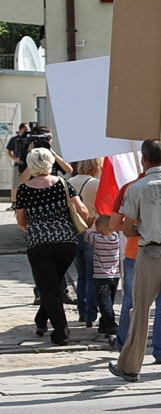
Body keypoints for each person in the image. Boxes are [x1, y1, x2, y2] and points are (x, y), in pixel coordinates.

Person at [108, 139, 161, 393]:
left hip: (149, 252)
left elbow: (126, 227)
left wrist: (145, 227)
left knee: (140, 310)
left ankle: (131, 366)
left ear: (144, 160)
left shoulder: (137, 187)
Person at [14, 148, 88, 345]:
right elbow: (81, 209)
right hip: (66, 241)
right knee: (52, 284)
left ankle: (61, 332)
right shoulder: (64, 184)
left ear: (31, 165)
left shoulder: (24, 189)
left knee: (48, 287)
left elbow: (21, 220)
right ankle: (40, 321)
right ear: (50, 163)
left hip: (39, 243)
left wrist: (30, 227)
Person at [111, 172, 161, 364]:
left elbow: (114, 224)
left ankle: (124, 344)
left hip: (135, 252)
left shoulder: (130, 187)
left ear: (144, 160)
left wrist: (139, 228)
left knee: (131, 301)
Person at [68, 158, 103, 328]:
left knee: (81, 276)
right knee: (92, 276)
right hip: (93, 232)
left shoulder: (68, 182)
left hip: (74, 233)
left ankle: (82, 312)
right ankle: (91, 315)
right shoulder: (96, 184)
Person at [85, 214, 120, 347]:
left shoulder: (97, 239)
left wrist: (89, 223)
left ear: (99, 228)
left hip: (101, 277)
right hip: (115, 276)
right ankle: (104, 324)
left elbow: (85, 232)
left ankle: (111, 324)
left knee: (103, 302)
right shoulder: (116, 238)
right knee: (109, 300)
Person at [6, 123, 29, 208]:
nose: (27, 131)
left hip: (27, 162)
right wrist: (15, 158)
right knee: (16, 183)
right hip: (19, 163)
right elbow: (8, 151)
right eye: (26, 129)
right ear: (21, 129)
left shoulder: (28, 139)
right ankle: (14, 202)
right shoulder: (14, 139)